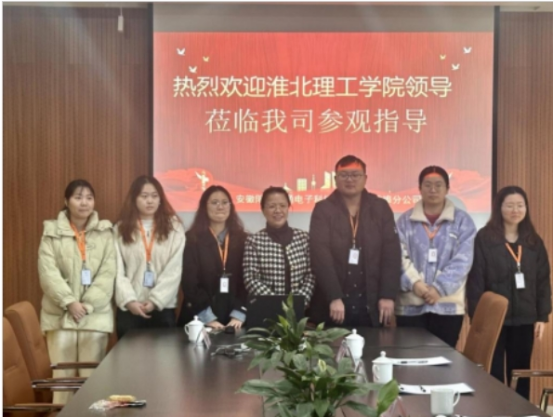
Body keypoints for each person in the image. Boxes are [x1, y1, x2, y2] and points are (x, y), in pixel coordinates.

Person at [468, 186, 552, 400]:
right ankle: (494, 411)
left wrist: (542, 316)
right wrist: (477, 317)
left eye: (520, 205)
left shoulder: (533, 241)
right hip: (494, 319)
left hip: (524, 318)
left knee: (520, 373)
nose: (515, 210)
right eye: (510, 205)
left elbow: (543, 280)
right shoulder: (485, 238)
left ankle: (520, 412)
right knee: (492, 373)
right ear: (499, 207)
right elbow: (476, 279)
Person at [38, 179, 116, 404]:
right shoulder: (51, 232)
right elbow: (47, 272)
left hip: (95, 317)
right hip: (60, 316)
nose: (84, 203)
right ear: (66, 201)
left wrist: (88, 304)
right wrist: (69, 302)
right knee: (62, 382)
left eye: (89, 198)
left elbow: (108, 273)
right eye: (78, 197)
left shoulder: (105, 232)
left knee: (92, 383)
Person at [309, 155, 401, 328]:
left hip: (372, 301)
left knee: (373, 344)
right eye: (344, 175)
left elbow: (391, 253)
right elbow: (320, 256)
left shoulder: (380, 207)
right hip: (335, 304)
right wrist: (334, 296)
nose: (350, 179)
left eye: (355, 175)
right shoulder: (323, 209)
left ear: (365, 178)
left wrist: (387, 295)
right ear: (335, 179)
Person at [395, 166, 477, 348]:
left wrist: (439, 288)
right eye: (428, 185)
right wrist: (415, 283)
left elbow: (463, 260)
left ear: (447, 189)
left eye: (438, 185)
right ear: (419, 188)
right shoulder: (405, 221)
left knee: (444, 358)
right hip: (411, 304)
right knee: (410, 357)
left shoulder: (462, 221)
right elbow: (397, 257)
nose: (433, 190)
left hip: (447, 305)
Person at [115, 176, 185, 339]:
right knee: (129, 356)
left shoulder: (174, 228)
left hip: (162, 308)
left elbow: (174, 270)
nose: (150, 201)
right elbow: (117, 270)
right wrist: (129, 300)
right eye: (144, 196)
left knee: (163, 356)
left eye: (154, 196)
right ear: (134, 199)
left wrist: (155, 301)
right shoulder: (120, 229)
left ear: (160, 199)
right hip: (130, 309)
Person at [178, 185, 248, 330]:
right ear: (204, 207)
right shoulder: (192, 239)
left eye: (225, 202)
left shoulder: (243, 239)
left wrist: (238, 314)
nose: (220, 207)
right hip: (199, 318)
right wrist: (207, 317)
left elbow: (248, 281)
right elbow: (189, 282)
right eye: (214, 202)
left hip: (235, 320)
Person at [243, 187, 315, 306]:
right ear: (263, 210)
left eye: (282, 205)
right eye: (272, 206)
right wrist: (277, 304)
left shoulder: (304, 238)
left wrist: (299, 302)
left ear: (288, 207)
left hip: (301, 308)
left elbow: (311, 274)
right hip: (267, 308)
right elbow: (251, 278)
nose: (278, 210)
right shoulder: (254, 241)